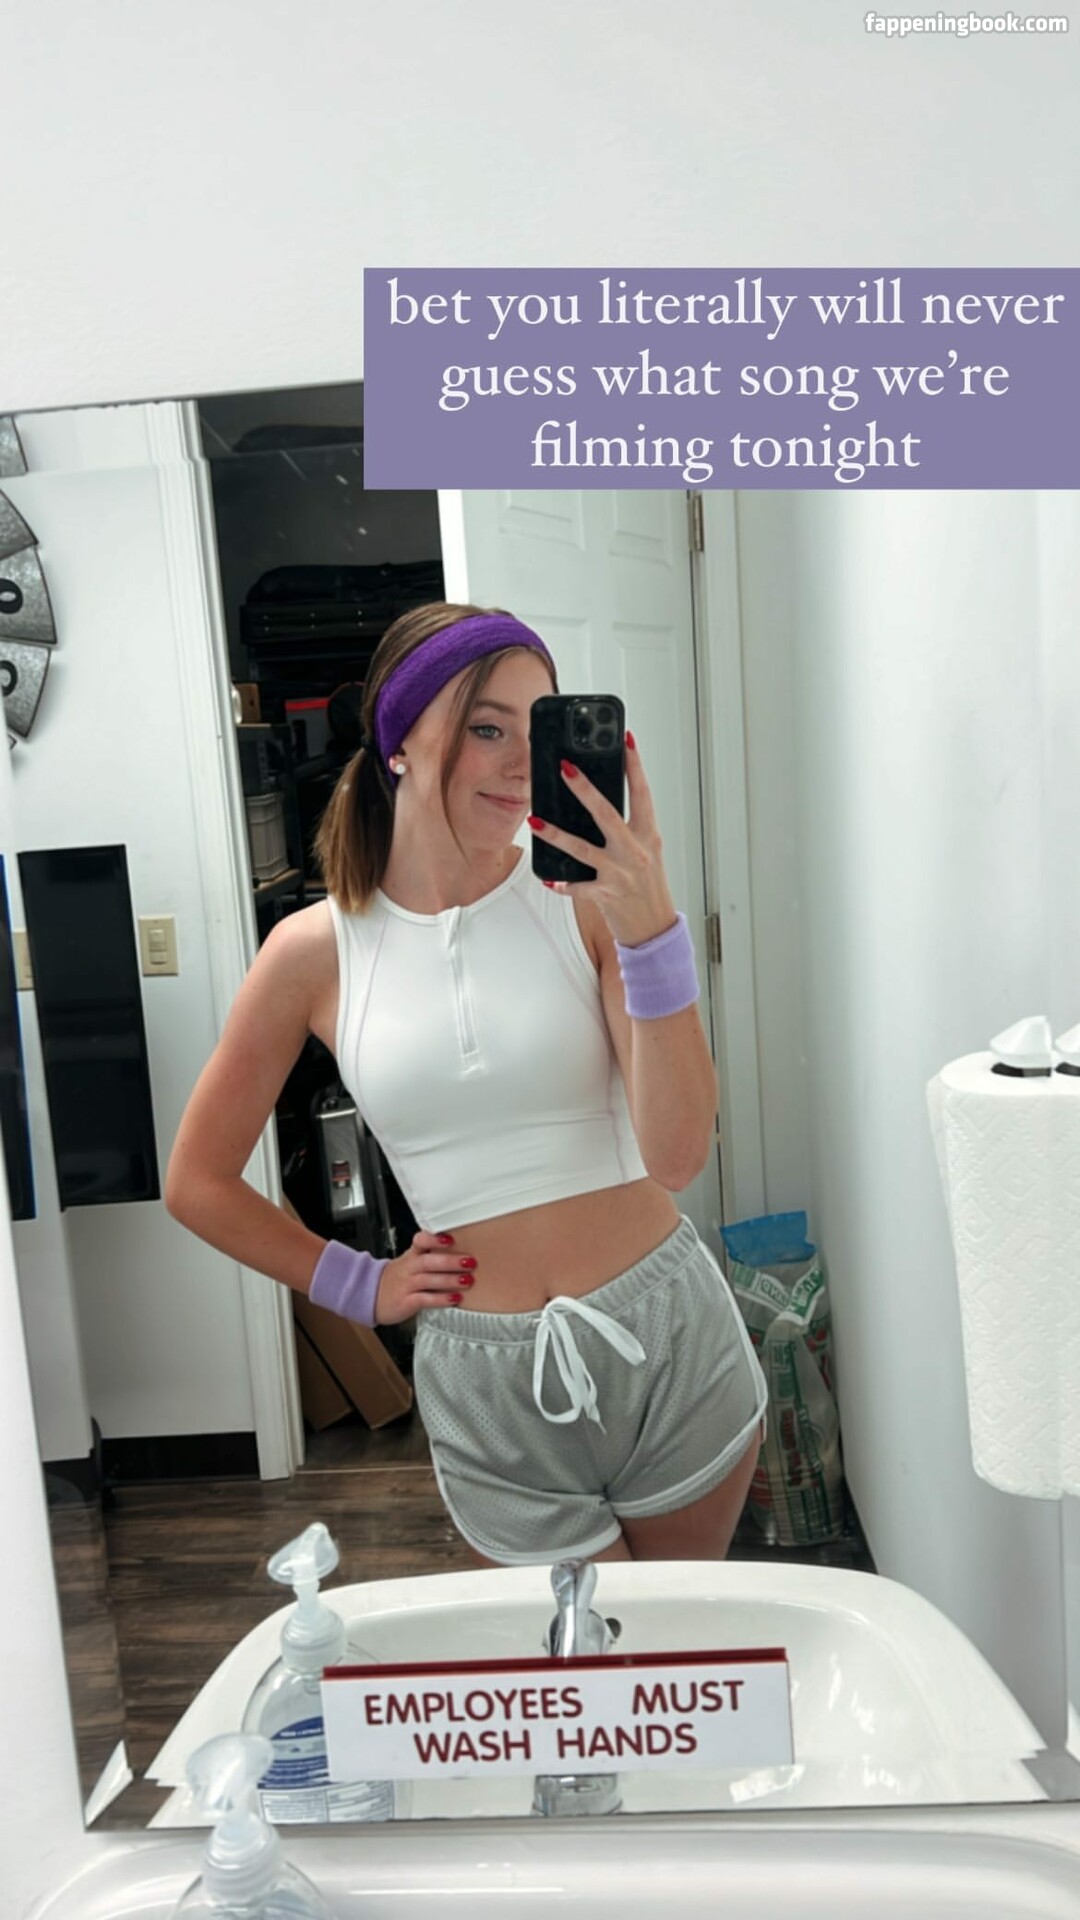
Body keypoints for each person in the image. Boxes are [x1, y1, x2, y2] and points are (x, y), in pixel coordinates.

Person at [165, 602, 767, 1567]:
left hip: (667, 1337)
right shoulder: (311, 954)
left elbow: (679, 1154)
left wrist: (650, 927)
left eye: (539, 728)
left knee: (678, 1646)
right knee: (577, 1662)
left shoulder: (587, 908)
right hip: (489, 1382)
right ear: (401, 741)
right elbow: (197, 1180)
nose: (523, 763)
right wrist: (358, 1283)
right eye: (489, 728)